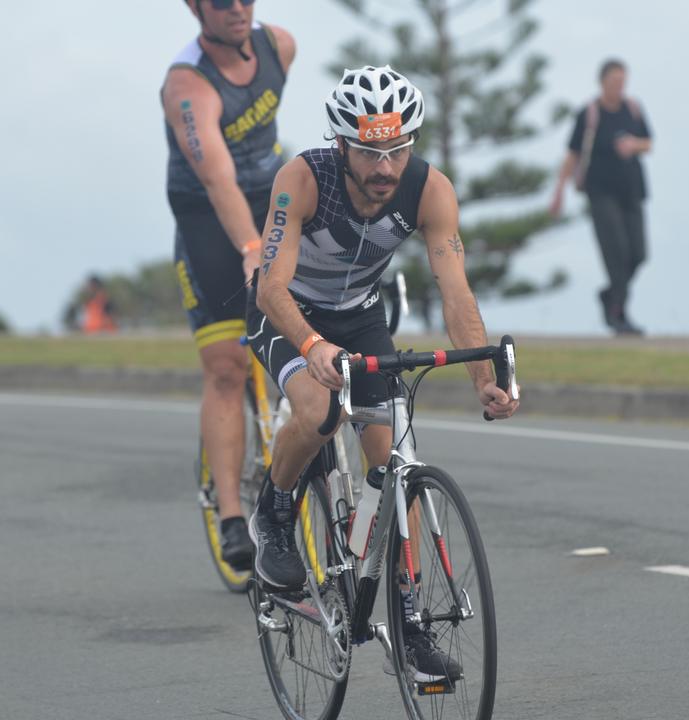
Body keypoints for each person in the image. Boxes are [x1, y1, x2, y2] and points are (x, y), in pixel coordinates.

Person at [245, 65, 519, 681]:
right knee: (318, 410)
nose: (385, 168)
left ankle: (409, 619)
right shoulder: (302, 180)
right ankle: (276, 508)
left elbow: (456, 294)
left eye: (397, 149)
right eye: (369, 151)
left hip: (361, 316)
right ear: (342, 144)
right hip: (289, 312)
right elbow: (270, 287)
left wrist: (482, 377)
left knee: (396, 451)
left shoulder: (429, 189)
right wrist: (311, 344)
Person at [162, 0, 295, 571]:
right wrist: (250, 249)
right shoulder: (187, 86)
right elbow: (217, 179)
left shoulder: (281, 46)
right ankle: (232, 516)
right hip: (208, 220)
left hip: (273, 200)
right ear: (195, 8)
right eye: (221, 1)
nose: (237, 8)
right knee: (226, 367)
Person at [550, 58, 653, 336]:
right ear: (602, 82)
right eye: (614, 82)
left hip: (632, 192)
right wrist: (559, 191)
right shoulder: (589, 114)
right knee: (616, 254)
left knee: (639, 254)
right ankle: (619, 315)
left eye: (623, 82)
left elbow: (648, 142)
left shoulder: (633, 109)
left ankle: (610, 296)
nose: (619, 87)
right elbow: (572, 154)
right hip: (601, 194)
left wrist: (634, 145)